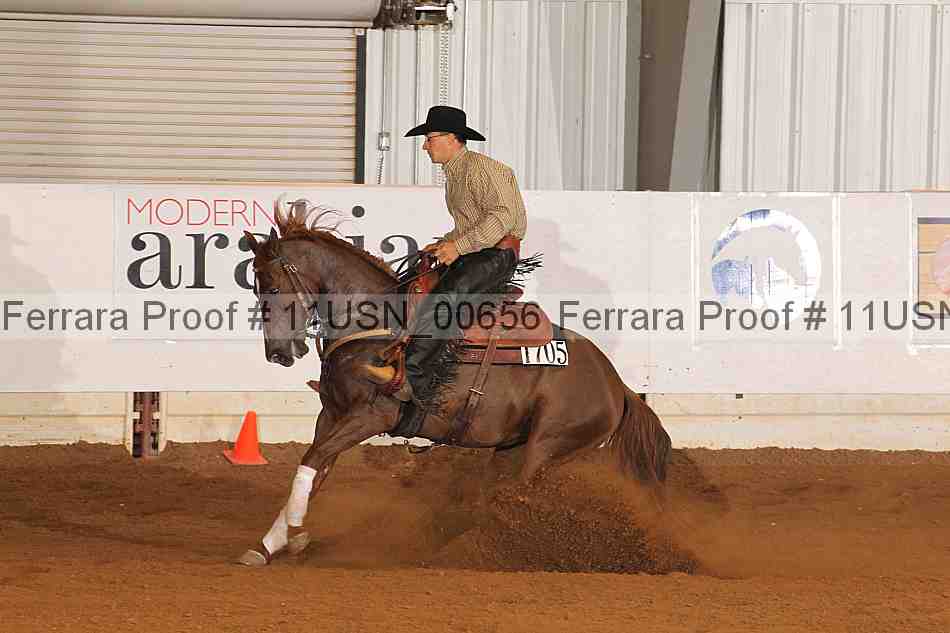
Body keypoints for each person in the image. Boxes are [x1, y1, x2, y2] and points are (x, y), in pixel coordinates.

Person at [367, 106, 527, 407]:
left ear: (452, 138)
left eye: (429, 139)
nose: (425, 147)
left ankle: (413, 378)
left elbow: (502, 217)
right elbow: (471, 224)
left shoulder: (484, 169)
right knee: (413, 285)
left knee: (444, 298)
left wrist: (458, 247)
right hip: (480, 252)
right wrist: (446, 243)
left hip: (496, 255)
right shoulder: (458, 173)